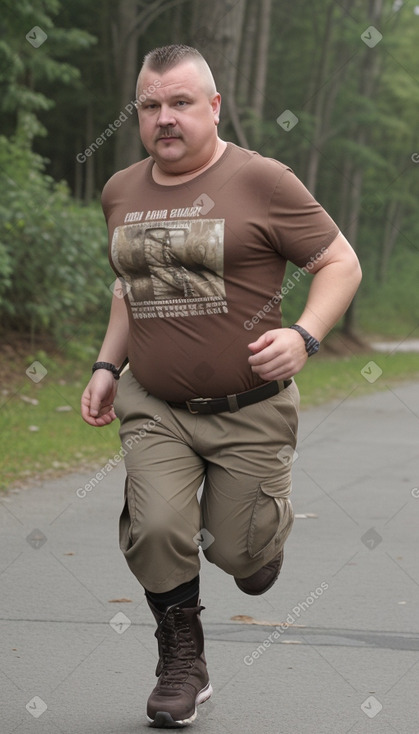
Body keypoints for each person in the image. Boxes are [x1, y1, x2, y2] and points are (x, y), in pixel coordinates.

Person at [81, 44, 362, 728]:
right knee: (154, 529)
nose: (164, 118)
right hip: (155, 403)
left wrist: (304, 335)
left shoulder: (261, 180)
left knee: (238, 554)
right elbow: (132, 288)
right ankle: (182, 661)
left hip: (251, 409)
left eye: (180, 103)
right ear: (137, 113)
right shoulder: (120, 190)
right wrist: (106, 366)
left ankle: (258, 542)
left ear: (212, 106)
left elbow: (339, 262)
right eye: (150, 105)